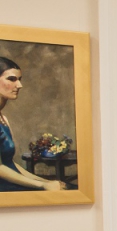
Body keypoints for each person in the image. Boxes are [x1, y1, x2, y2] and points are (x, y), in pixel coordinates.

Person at [0, 57, 65, 192]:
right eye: (12, 79)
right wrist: (42, 186)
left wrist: (46, 182)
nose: (19, 85)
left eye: (19, 79)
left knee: (67, 188)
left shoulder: (3, 119)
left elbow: (10, 164)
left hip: (13, 181)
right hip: (4, 189)